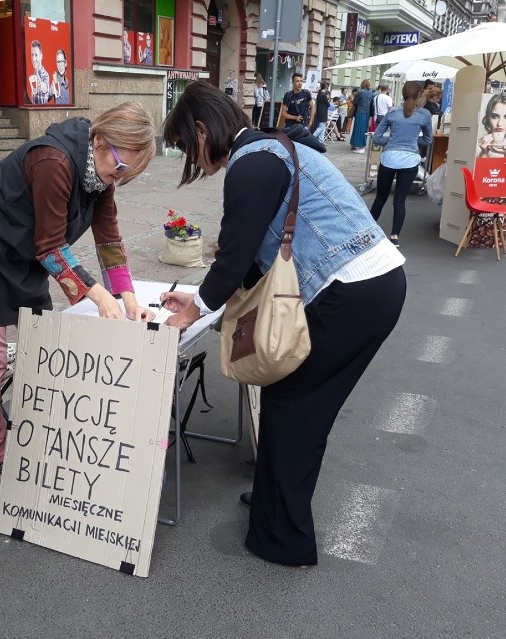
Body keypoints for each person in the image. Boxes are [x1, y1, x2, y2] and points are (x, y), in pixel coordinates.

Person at [160, 80, 406, 568]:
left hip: (352, 291)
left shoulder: (252, 162)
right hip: (366, 286)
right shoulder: (270, 148)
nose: (196, 161)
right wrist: (202, 296)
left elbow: (232, 259)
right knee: (289, 400)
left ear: (204, 130)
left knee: (297, 408)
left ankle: (284, 539)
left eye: (190, 147)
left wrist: (194, 309)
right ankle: (274, 504)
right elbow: (250, 255)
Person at [0, 103, 157, 483]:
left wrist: (129, 299)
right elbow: (50, 248)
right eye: (120, 168)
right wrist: (99, 296)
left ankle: (32, 435)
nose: (118, 180)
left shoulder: (100, 177)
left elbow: (109, 241)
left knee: (43, 348)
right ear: (101, 140)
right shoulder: (54, 161)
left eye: (126, 175)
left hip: (23, 256)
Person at [369, 81, 433, 248]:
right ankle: (395, 237)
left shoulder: (392, 112)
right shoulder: (425, 115)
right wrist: (412, 143)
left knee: (381, 197)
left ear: (403, 94)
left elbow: (376, 137)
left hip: (389, 158)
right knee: (399, 200)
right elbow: (428, 140)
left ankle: (368, 229)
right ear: (420, 95)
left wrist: (392, 142)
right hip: (410, 160)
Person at [477, 94, 506, 159]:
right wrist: (484, 154)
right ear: (488, 118)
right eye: (495, 116)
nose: (499, 124)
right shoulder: (477, 144)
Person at [349, 79, 373, 153]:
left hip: (360, 112)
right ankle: (362, 144)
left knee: (357, 128)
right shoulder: (370, 93)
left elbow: (354, 102)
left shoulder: (360, 92)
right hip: (367, 113)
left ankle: (357, 144)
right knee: (364, 129)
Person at [28, 39, 50, 104]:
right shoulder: (33, 73)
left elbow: (44, 88)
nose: (33, 59)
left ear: (41, 56)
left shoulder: (44, 74)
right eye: (32, 55)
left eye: (36, 55)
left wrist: (39, 82)